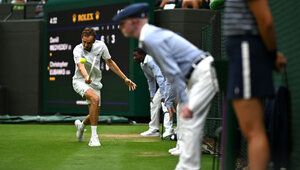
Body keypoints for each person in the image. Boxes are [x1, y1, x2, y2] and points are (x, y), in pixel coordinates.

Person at [113, 3, 219, 169]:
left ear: (135, 22)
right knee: (187, 119)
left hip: (202, 73)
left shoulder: (150, 38)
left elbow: (172, 71)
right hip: (194, 76)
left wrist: (175, 100)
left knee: (189, 119)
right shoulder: (149, 37)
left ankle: (187, 166)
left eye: (122, 23)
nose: (120, 27)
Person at [224, 0, 286, 169]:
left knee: (253, 130)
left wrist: (272, 55)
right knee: (250, 129)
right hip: (243, 50)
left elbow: (266, 22)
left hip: (246, 48)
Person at [73, 27, 136, 147]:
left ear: (94, 40)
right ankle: (94, 138)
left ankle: (81, 127)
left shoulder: (101, 46)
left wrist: (125, 78)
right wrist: (86, 76)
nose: (85, 45)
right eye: (84, 42)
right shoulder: (77, 49)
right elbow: (80, 65)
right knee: (95, 99)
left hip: (95, 83)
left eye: (89, 43)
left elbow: (110, 62)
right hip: (80, 81)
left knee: (95, 112)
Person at [133, 48, 174, 138]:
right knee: (154, 104)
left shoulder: (151, 61)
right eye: (133, 56)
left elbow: (160, 77)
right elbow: (150, 80)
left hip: (169, 82)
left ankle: (169, 130)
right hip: (163, 84)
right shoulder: (142, 65)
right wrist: (152, 94)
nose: (134, 58)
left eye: (136, 55)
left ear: (142, 55)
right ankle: (154, 129)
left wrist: (164, 95)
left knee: (165, 105)